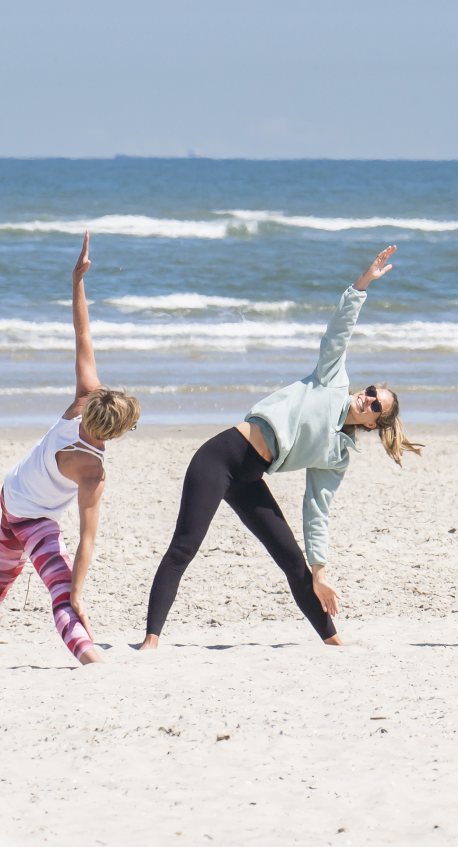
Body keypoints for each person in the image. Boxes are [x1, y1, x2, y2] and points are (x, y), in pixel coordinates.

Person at [139, 247, 420, 649]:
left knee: (294, 561)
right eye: (372, 391)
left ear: (374, 424)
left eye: (376, 406)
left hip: (250, 477)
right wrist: (363, 283)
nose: (369, 399)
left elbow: (317, 509)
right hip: (220, 457)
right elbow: (339, 329)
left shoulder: (337, 456)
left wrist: (320, 570)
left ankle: (333, 641)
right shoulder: (331, 380)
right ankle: (151, 639)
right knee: (184, 547)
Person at [0, 235, 140, 666]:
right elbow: (86, 539)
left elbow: (82, 332)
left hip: (11, 492)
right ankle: (91, 662)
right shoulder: (93, 472)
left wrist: (77, 280)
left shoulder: (83, 399)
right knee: (62, 596)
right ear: (115, 432)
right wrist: (77, 592)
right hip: (33, 518)